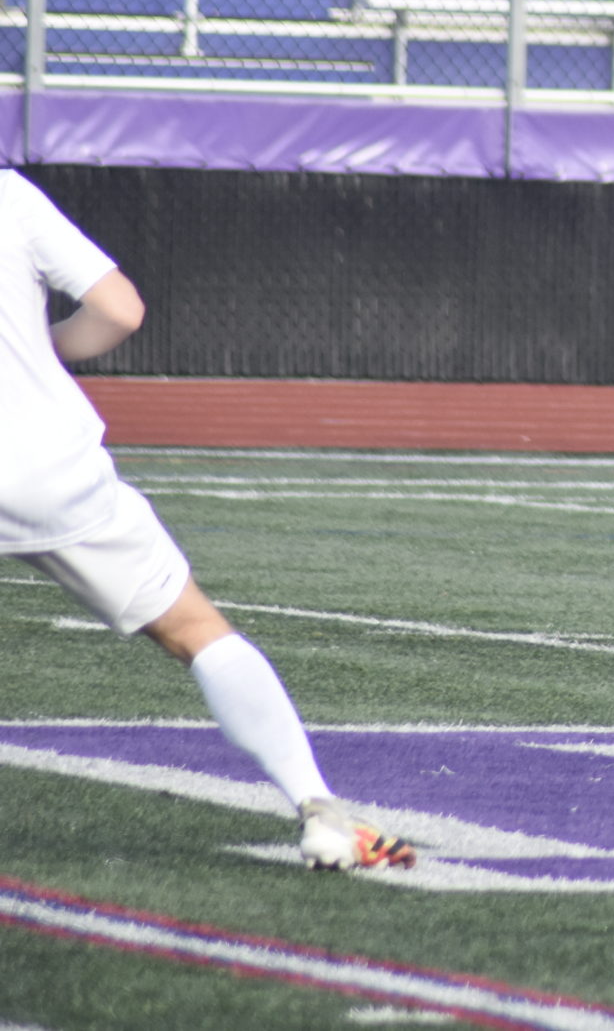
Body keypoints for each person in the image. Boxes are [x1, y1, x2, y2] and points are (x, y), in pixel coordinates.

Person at [1, 171, 415, 870]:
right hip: (44, 464)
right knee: (198, 630)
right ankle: (319, 809)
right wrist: (45, 352)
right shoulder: (9, 195)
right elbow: (119, 310)